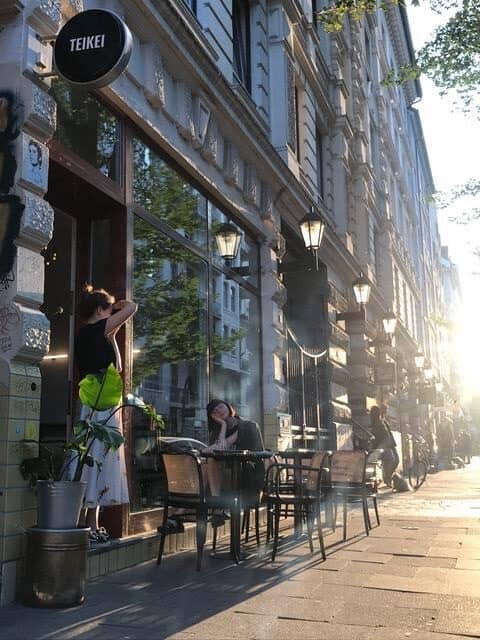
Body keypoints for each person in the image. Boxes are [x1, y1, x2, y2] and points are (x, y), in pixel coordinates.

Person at [74, 284, 137, 543]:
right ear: (100, 310)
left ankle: (90, 524)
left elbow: (118, 367)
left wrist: (112, 336)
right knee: (97, 459)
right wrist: (120, 304)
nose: (113, 313)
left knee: (94, 460)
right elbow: (133, 307)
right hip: (100, 404)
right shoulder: (94, 330)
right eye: (109, 309)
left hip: (97, 402)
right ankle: (86, 524)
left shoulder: (89, 334)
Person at [205, 399, 265, 527]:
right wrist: (223, 425)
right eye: (214, 411)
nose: (219, 411)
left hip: (247, 476)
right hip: (227, 478)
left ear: (228, 407)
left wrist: (223, 425)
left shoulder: (247, 426)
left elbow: (221, 447)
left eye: (220, 407)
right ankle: (216, 505)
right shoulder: (217, 432)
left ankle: (216, 506)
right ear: (212, 417)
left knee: (211, 464)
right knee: (207, 464)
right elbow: (215, 450)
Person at [369, 404, 399, 487]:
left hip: (390, 443)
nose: (386, 411)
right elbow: (380, 436)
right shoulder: (378, 422)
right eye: (385, 409)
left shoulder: (382, 420)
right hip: (386, 445)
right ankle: (387, 479)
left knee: (393, 461)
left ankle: (387, 479)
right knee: (392, 461)